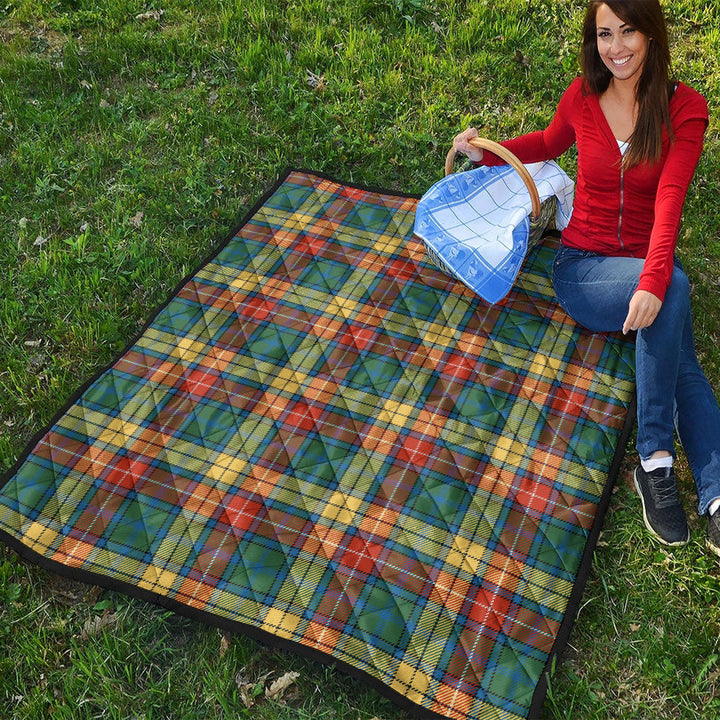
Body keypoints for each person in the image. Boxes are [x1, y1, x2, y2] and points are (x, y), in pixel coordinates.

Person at [452, 0, 720, 555]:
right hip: (584, 268)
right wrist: (485, 152)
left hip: (646, 262)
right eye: (604, 34)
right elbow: (546, 145)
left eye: (628, 31)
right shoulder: (582, 95)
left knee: (680, 350)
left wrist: (651, 279)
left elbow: (670, 196)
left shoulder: (685, 108)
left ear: (651, 35)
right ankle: (655, 460)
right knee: (673, 290)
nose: (616, 48)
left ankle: (711, 493)